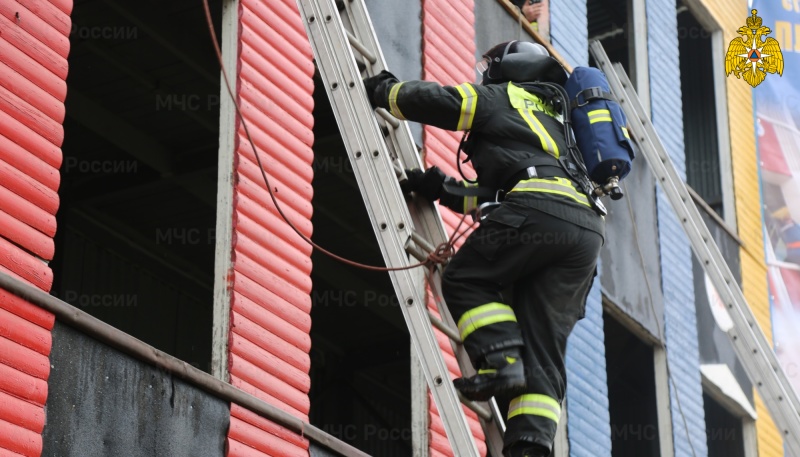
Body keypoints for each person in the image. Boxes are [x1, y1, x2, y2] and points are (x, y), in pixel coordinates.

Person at [363, 41, 605, 457]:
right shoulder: (563, 123)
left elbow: (443, 102)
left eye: (489, 65)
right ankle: (530, 445)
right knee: (543, 342)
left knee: (466, 278)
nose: (483, 73)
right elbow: (500, 192)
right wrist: (442, 190)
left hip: (539, 210)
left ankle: (501, 362)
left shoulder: (504, 96)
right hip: (584, 234)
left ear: (510, 66)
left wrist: (386, 92)